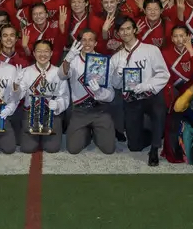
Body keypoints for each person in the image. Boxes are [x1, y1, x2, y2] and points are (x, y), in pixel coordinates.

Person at [109, 16, 171, 166]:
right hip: (131, 99)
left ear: (135, 30)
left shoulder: (151, 50)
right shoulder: (116, 58)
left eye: (128, 28)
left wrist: (146, 85)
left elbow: (164, 74)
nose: (125, 32)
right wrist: (118, 72)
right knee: (134, 147)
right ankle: (154, 133)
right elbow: (115, 85)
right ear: (118, 33)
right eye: (121, 30)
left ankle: (155, 148)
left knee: (158, 108)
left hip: (150, 95)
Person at [60, 29, 117, 155]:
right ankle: (86, 134)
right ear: (79, 42)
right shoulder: (73, 59)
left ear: (96, 43)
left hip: (100, 110)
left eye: (90, 40)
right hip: (80, 111)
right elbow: (62, 75)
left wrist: (99, 92)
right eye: (83, 40)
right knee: (73, 149)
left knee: (109, 149)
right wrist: (67, 59)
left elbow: (111, 95)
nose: (87, 43)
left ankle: (97, 133)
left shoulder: (105, 61)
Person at [15, 40, 69, 153]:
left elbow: (64, 96)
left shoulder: (58, 72)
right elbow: (18, 96)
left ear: (51, 53)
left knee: (52, 148)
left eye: (46, 51)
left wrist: (58, 105)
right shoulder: (25, 72)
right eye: (39, 51)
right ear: (34, 53)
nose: (42, 54)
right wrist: (16, 85)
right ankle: (36, 137)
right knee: (27, 148)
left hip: (51, 115)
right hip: (30, 114)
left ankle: (44, 137)